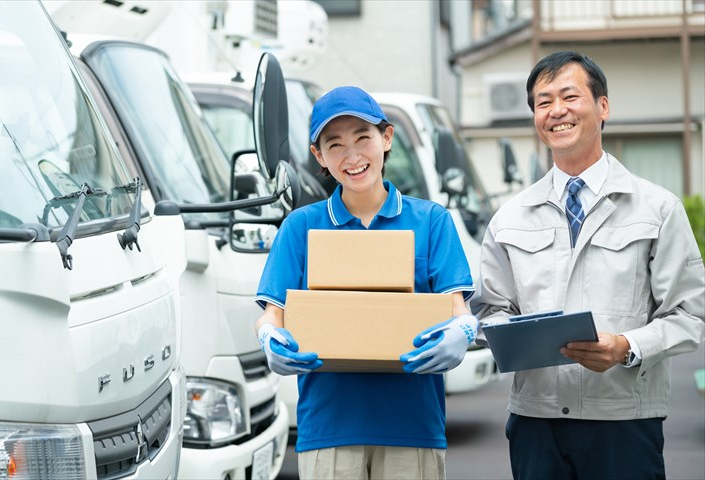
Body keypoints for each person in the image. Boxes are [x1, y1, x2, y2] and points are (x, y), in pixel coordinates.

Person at [472, 50, 705, 479]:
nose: (556, 111)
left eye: (569, 96)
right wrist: (505, 332)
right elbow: (491, 309)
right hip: (535, 423)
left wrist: (627, 348)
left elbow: (690, 316)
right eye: (543, 102)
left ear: (603, 106)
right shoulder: (510, 217)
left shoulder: (657, 209)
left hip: (624, 424)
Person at [254, 85, 478, 479]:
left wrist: (462, 330)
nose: (353, 156)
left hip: (414, 427)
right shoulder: (300, 227)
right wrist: (270, 339)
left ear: (386, 138)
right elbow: (274, 315)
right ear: (319, 155)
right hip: (329, 428)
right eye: (335, 144)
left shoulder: (431, 221)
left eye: (363, 138)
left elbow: (458, 308)